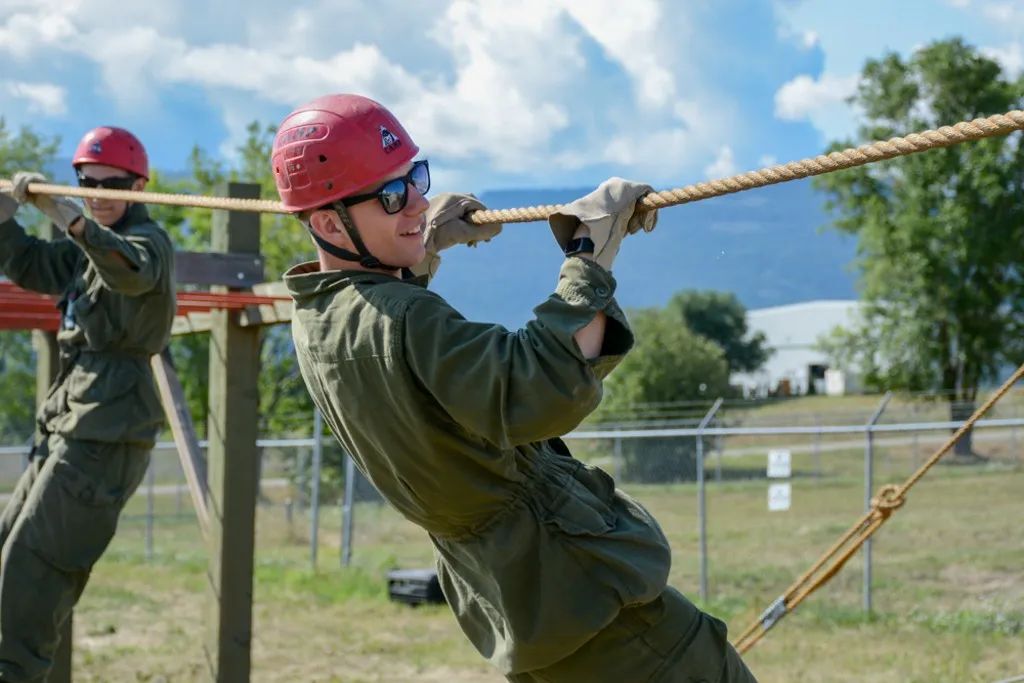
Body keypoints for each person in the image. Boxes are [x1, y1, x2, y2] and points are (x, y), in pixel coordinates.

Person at [276, 94, 757, 683]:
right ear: (328, 222)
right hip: (578, 592)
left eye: (415, 179)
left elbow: (394, 350)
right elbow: (536, 385)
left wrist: (419, 248)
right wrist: (590, 258)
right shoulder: (407, 320)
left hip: (512, 606)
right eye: (392, 197)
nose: (417, 202)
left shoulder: (314, 316)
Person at [0, 127, 175, 682]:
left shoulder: (147, 243)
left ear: (139, 187)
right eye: (86, 183)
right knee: (6, 557)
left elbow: (129, 270)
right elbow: (32, 264)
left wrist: (72, 219)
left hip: (107, 428)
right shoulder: (84, 251)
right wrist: (4, 219)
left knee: (28, 584)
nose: (97, 192)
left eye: (112, 184)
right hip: (71, 417)